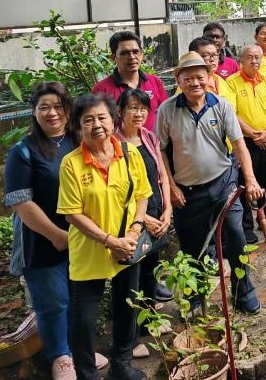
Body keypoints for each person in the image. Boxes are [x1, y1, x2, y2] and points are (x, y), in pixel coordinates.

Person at [3, 82, 108, 380]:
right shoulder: (24, 151)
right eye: (44, 107)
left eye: (58, 106)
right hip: (43, 239)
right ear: (34, 112)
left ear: (68, 110)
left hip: (83, 236)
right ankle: (60, 356)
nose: (52, 113)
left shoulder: (79, 141)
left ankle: (79, 350)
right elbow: (21, 203)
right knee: (53, 300)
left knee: (79, 296)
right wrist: (57, 236)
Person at [156, 52, 264, 313]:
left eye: (199, 77)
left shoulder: (222, 105)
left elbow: (239, 145)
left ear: (209, 77)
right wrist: (170, 186)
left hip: (223, 183)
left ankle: (243, 292)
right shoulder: (167, 110)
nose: (195, 82)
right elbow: (160, 151)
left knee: (236, 236)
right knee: (193, 247)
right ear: (179, 81)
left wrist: (250, 180)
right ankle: (196, 298)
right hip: (187, 191)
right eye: (188, 77)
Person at [58, 93, 152, 379]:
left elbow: (141, 195)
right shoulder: (71, 164)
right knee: (84, 320)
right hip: (90, 251)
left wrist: (134, 231)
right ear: (78, 127)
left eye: (102, 117)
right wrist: (111, 241)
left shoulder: (130, 153)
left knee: (128, 305)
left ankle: (122, 364)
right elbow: (72, 214)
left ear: (114, 119)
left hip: (128, 246)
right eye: (88, 120)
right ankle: (86, 373)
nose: (96, 124)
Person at [114, 89, 174, 358]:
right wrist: (145, 219)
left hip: (157, 213)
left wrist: (168, 210)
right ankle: (127, 341)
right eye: (132, 108)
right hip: (131, 223)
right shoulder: (114, 144)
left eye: (143, 108)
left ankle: (150, 322)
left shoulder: (148, 137)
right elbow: (118, 193)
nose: (138, 113)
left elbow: (162, 175)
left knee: (151, 272)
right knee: (129, 281)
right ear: (120, 111)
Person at [225, 46, 266, 242]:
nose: (255, 61)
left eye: (258, 57)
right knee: (245, 182)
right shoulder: (231, 83)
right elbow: (232, 112)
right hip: (245, 141)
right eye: (250, 57)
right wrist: (252, 133)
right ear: (241, 60)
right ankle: (247, 226)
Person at [92, 31, 167, 131]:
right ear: (113, 58)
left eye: (135, 52)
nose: (132, 57)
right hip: (120, 145)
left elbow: (166, 115)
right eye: (125, 53)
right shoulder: (101, 89)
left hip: (154, 145)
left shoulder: (155, 82)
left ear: (141, 54)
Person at [185, 37, 237, 109]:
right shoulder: (188, 86)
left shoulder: (220, 80)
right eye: (206, 55)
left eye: (215, 55)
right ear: (194, 58)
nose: (212, 59)